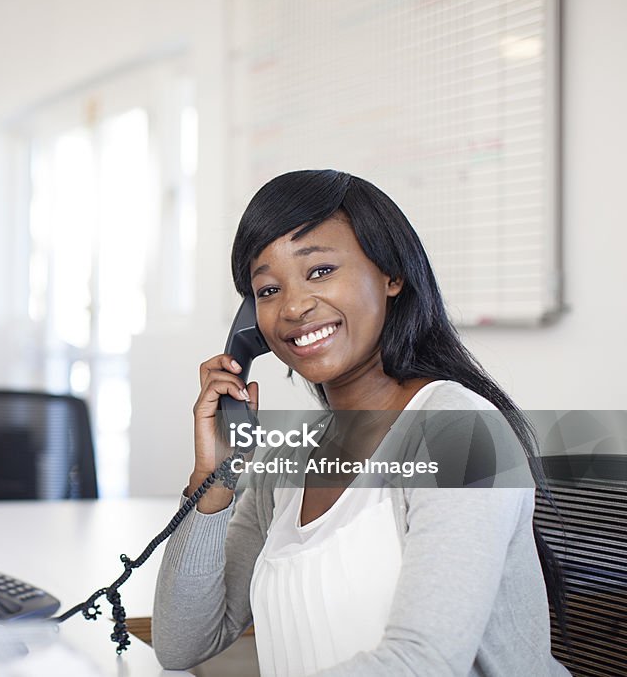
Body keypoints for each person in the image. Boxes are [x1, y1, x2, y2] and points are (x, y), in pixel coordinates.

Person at [152, 170, 568, 675]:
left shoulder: (462, 433)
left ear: (391, 275)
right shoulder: (287, 460)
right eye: (267, 289)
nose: (295, 306)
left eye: (321, 270)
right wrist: (215, 478)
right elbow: (182, 643)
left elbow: (423, 663)